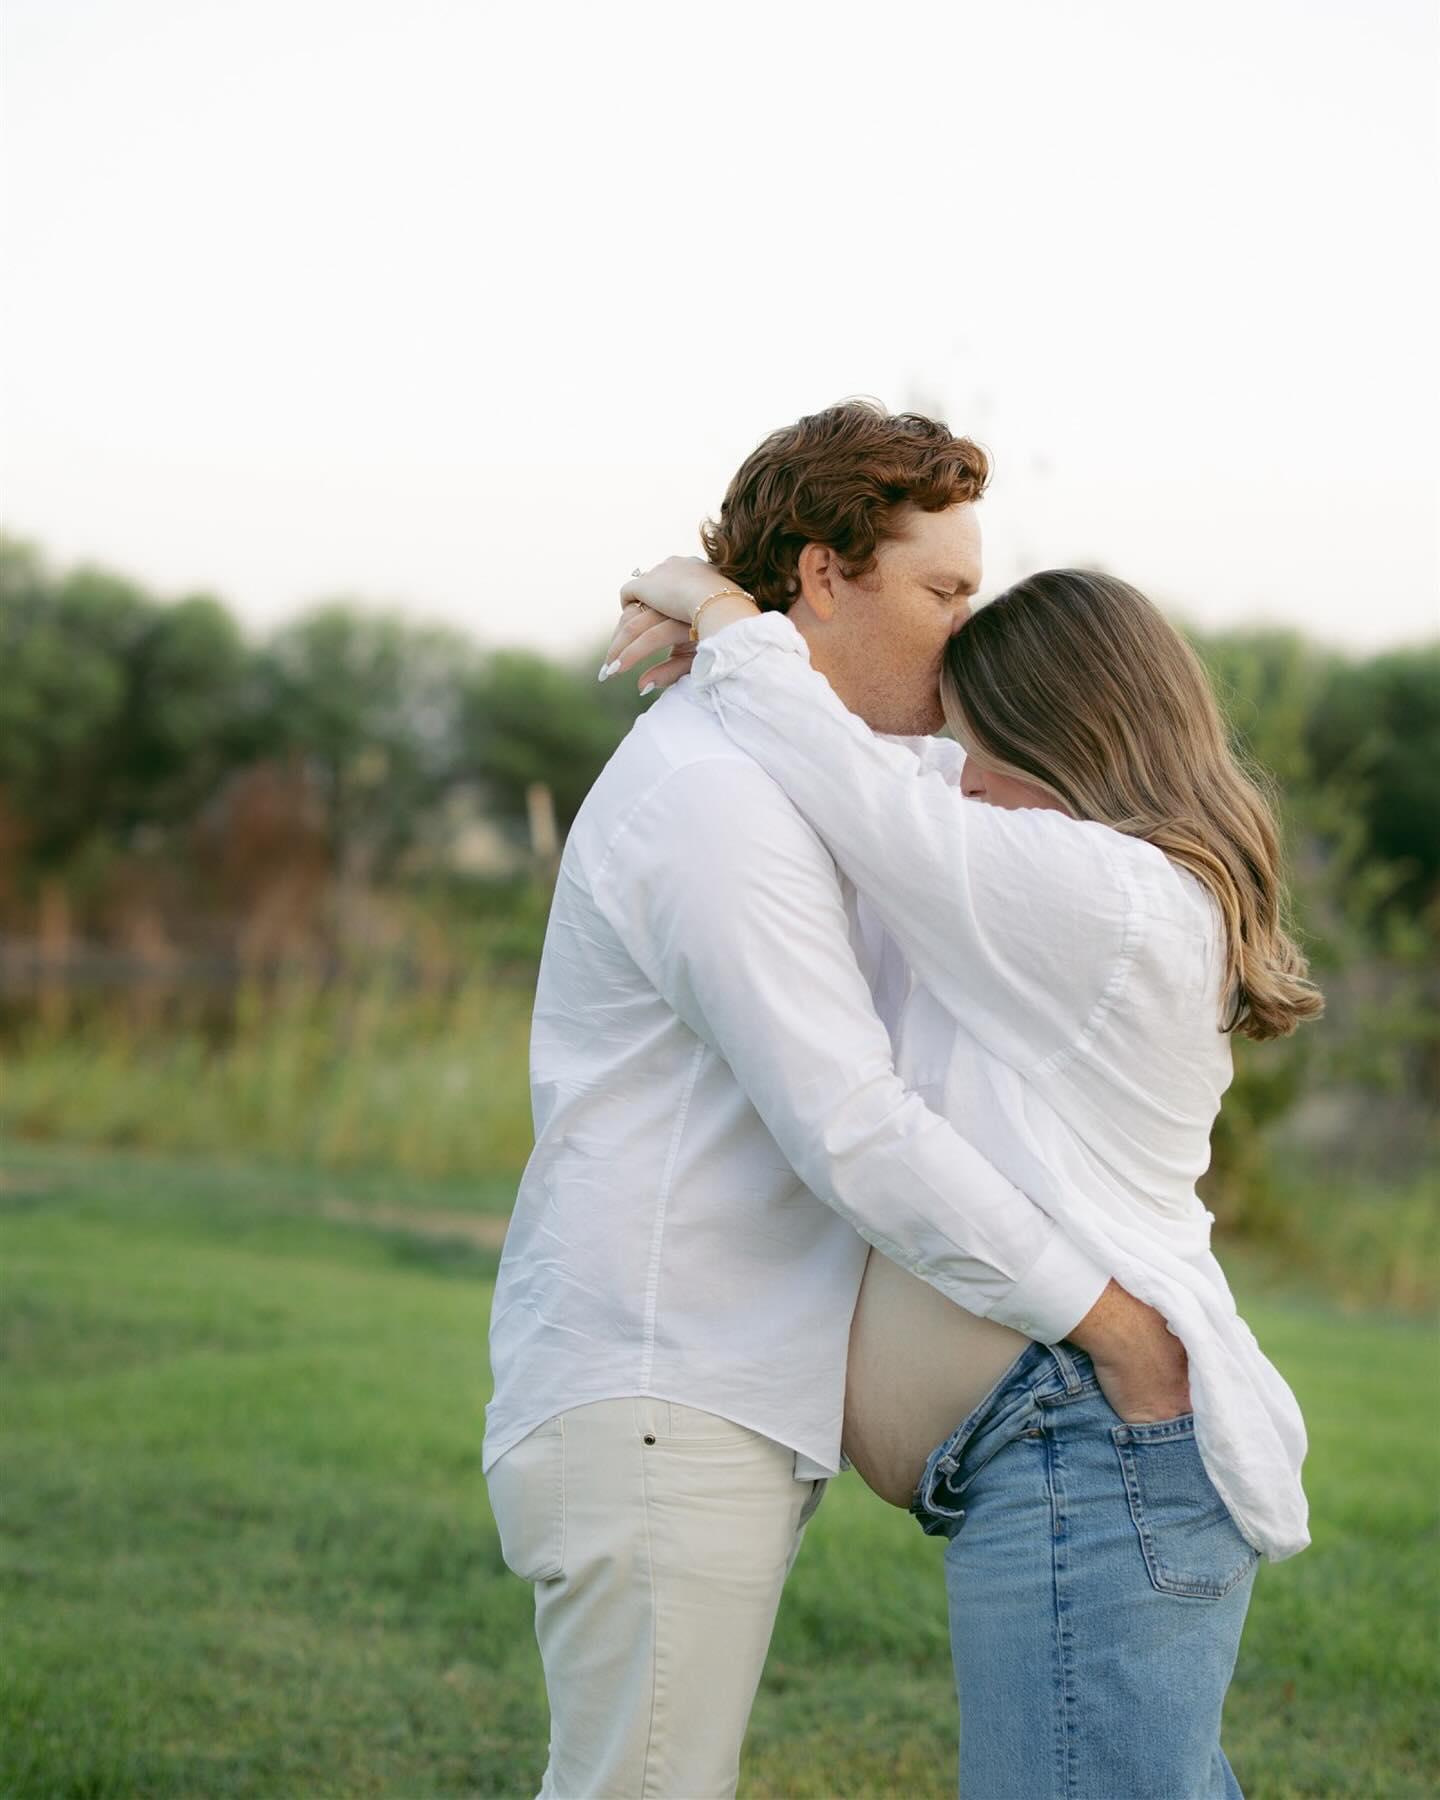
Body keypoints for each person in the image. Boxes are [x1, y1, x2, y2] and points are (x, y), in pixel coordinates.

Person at [483, 401, 1189, 1800]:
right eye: (942, 592)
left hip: (709, 1394)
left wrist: (711, 606)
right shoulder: (711, 798)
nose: (964, 631)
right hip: (658, 1390)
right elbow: (853, 1129)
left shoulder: (807, 763)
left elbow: (971, 808)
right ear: (824, 576)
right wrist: (1114, 1323)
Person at [605, 550, 1322, 1799]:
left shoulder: (1107, 899)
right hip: (1083, 1464)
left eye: (982, 749)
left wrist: (728, 617)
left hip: (1096, 1460)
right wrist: (758, 654)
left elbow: (867, 793)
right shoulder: (1094, 876)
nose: (960, 776)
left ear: (1070, 741)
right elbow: (892, 771)